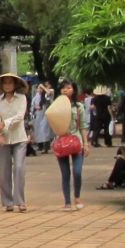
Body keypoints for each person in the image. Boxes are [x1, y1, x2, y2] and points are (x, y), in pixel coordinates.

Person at [0, 70, 29, 211]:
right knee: (4, 171)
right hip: (3, 139)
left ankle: (20, 201)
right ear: (1, 85)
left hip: (19, 137)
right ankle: (7, 202)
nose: (7, 85)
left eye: (10, 82)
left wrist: (5, 124)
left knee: (19, 168)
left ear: (15, 84)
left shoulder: (21, 98)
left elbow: (20, 116)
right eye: (5, 83)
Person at [53, 80, 90, 210]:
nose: (66, 90)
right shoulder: (55, 106)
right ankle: (67, 202)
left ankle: (77, 197)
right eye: (63, 88)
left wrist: (86, 144)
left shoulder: (79, 107)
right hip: (61, 142)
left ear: (74, 90)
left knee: (77, 172)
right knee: (65, 173)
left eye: (69, 88)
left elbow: (83, 126)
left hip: (76, 141)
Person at [30, 81, 53, 155]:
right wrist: (35, 107)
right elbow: (32, 106)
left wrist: (43, 86)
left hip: (45, 115)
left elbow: (49, 93)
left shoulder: (46, 95)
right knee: (38, 131)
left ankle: (45, 147)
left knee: (44, 130)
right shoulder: (35, 97)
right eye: (38, 88)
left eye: (41, 88)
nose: (39, 90)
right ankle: (40, 146)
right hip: (38, 116)